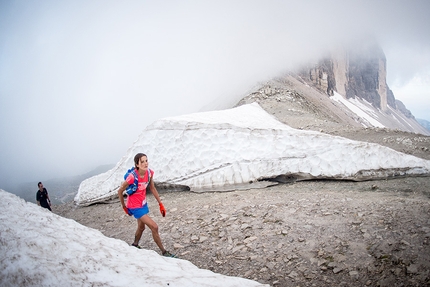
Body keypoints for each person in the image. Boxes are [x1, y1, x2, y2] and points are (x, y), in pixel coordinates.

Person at [118, 153, 176, 258]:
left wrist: (160, 204)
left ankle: (135, 245)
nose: (145, 163)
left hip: (143, 204)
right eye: (142, 162)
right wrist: (124, 207)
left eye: (146, 160)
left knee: (141, 227)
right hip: (134, 206)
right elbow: (120, 191)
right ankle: (164, 252)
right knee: (154, 226)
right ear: (137, 164)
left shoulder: (149, 173)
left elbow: (152, 188)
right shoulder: (132, 177)